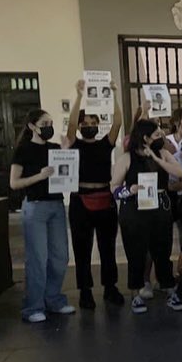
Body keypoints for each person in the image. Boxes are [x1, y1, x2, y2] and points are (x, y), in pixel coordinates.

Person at [111, 119, 182, 314]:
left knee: (163, 249)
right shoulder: (127, 158)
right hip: (134, 209)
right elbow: (113, 188)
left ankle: (168, 287)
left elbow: (179, 172)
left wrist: (157, 157)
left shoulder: (164, 154)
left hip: (159, 207)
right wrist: (130, 189)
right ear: (145, 138)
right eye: (156, 135)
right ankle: (135, 293)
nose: (161, 137)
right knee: (136, 252)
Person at [10, 109, 76, 323]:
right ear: (32, 126)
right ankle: (33, 306)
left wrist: (66, 152)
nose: (49, 126)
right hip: (35, 206)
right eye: (44, 123)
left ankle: (54, 299)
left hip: (56, 205)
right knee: (38, 257)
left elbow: (66, 171)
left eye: (50, 122)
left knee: (60, 256)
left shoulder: (54, 148)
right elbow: (14, 183)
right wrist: (39, 176)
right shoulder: (23, 149)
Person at [64, 79, 124, 309]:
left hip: (105, 199)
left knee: (107, 247)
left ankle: (110, 287)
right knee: (82, 248)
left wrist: (114, 94)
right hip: (80, 201)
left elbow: (117, 122)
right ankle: (85, 291)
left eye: (93, 121)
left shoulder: (105, 144)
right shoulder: (73, 143)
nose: (89, 125)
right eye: (85, 122)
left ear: (98, 124)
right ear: (80, 126)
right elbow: (70, 125)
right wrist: (79, 95)